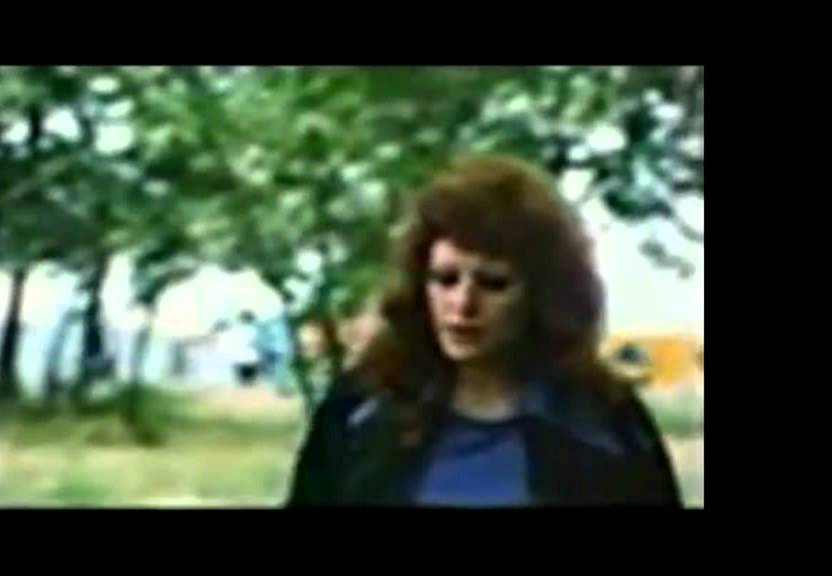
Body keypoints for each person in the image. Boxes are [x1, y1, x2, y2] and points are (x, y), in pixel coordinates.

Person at [286, 154, 681, 507]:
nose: (463, 305)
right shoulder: (362, 412)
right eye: (445, 279)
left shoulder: (601, 423)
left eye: (493, 283)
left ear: (541, 292)